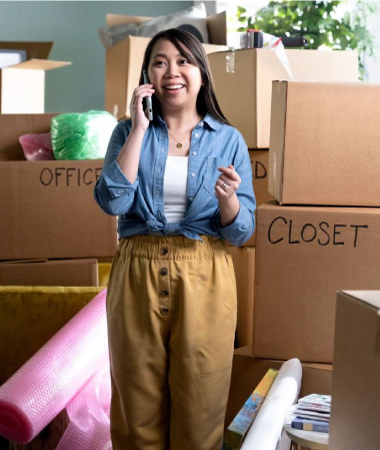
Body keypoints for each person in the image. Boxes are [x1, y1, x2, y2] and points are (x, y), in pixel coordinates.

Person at [94, 28, 256, 450]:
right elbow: (112, 201)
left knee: (201, 406)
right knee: (137, 404)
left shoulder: (229, 139)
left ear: (201, 72)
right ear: (147, 75)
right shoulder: (126, 133)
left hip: (205, 272)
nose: (172, 72)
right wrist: (138, 129)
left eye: (184, 61)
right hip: (136, 271)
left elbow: (241, 230)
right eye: (160, 62)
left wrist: (228, 202)